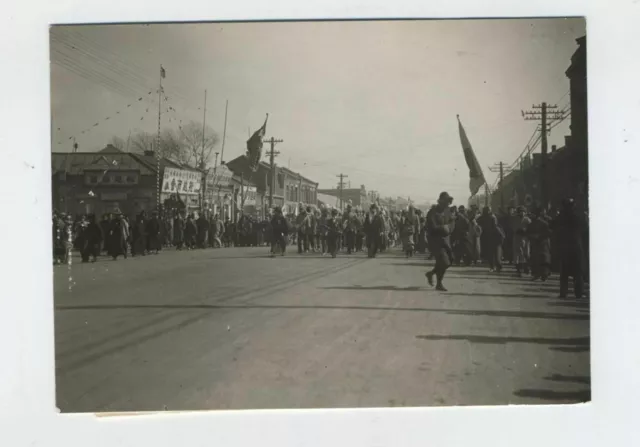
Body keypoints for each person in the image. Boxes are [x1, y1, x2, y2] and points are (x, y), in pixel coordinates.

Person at [550, 198, 587, 299]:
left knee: (564, 272)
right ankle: (579, 293)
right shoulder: (577, 216)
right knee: (578, 271)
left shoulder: (560, 217)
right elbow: (584, 228)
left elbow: (552, 225)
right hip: (576, 246)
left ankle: (563, 293)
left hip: (564, 247)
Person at [426, 192, 454, 291]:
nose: (447, 204)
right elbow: (431, 227)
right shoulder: (432, 212)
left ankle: (431, 273)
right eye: (446, 202)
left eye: (448, 202)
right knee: (444, 262)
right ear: (441, 202)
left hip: (446, 240)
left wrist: (449, 228)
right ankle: (439, 283)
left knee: (450, 260)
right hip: (435, 241)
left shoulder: (447, 211)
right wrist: (442, 228)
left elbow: (451, 223)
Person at [527, 205, 552, 281]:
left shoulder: (544, 223)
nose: (531, 215)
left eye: (533, 214)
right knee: (535, 259)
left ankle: (545, 274)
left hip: (543, 243)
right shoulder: (531, 223)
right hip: (535, 243)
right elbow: (528, 232)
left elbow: (549, 232)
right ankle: (536, 274)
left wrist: (539, 237)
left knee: (544, 259)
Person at [512, 206, 531, 277]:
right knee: (517, 255)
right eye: (520, 211)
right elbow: (513, 227)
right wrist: (517, 230)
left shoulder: (527, 220)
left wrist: (525, 230)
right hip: (517, 238)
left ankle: (526, 269)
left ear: (525, 212)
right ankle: (519, 270)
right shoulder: (515, 219)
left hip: (525, 239)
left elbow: (530, 228)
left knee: (526, 254)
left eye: (523, 211)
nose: (522, 213)